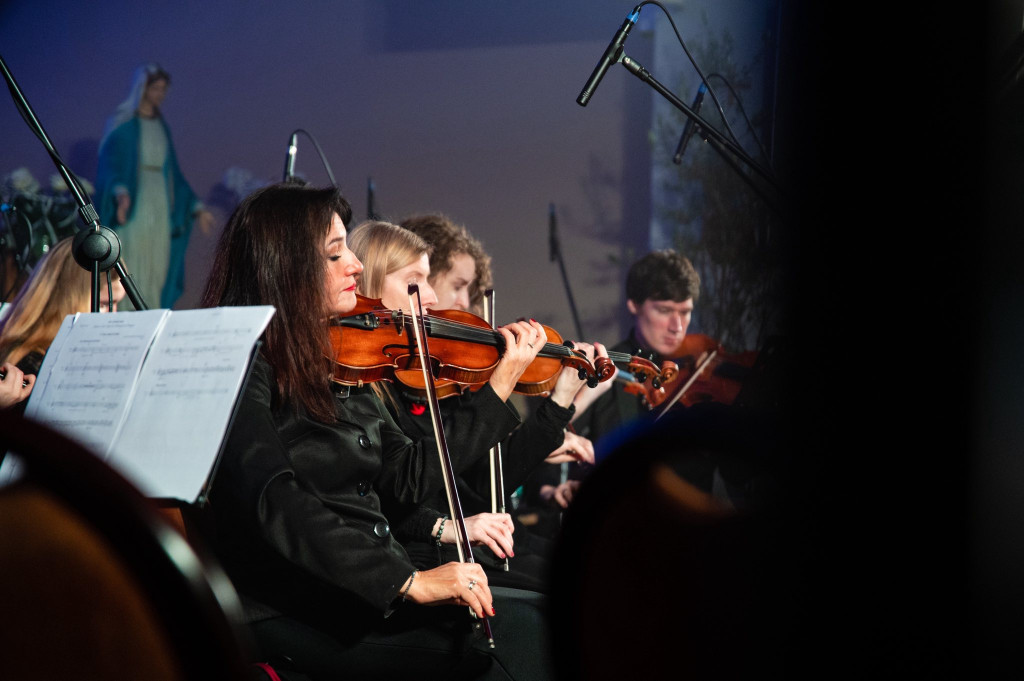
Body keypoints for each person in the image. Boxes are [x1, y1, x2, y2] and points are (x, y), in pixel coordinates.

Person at [199, 184, 556, 680]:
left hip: (361, 591)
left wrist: (495, 389)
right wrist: (406, 581)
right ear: (286, 267)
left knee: (541, 616)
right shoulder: (247, 361)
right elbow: (274, 499)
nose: (354, 265)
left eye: (348, 247)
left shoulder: (338, 359)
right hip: (296, 604)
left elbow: (406, 479)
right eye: (334, 252)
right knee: (515, 645)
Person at [349, 219, 601, 591]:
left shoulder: (423, 376)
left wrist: (560, 400)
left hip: (468, 547)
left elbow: (487, 486)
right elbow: (415, 490)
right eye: (418, 283)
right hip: (423, 559)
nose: (435, 299)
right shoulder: (373, 385)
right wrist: (500, 386)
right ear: (370, 285)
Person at [96, 63, 214, 310]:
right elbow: (112, 163)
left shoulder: (161, 127)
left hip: (159, 202)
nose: (160, 95)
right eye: (156, 88)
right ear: (143, 89)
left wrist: (196, 205)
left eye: (164, 90)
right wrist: (120, 192)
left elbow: (174, 175)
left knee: (157, 263)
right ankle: (128, 313)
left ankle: (149, 311)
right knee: (134, 260)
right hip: (135, 204)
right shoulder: (124, 126)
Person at [0, 237, 124, 382]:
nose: (113, 315)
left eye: (116, 304)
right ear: (65, 300)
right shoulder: (31, 366)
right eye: (103, 304)